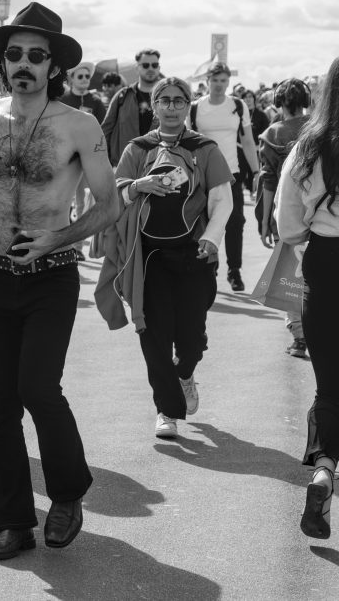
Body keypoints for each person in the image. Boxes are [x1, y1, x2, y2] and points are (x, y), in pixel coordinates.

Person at [0, 2, 121, 560]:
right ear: (2, 61)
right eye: (13, 54)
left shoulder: (79, 125)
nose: (23, 64)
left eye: (36, 56)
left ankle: (66, 493)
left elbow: (109, 206)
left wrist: (56, 239)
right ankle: (13, 523)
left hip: (50, 277)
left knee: (39, 388)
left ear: (53, 67)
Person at [95, 77, 232, 439]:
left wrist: (211, 239)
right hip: (149, 258)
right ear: (153, 107)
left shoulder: (204, 149)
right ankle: (166, 410)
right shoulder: (137, 149)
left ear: (189, 106)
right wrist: (136, 185)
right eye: (164, 101)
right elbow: (114, 193)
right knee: (154, 334)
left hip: (194, 254)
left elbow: (222, 200)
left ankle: (185, 373)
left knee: (191, 338)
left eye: (179, 101)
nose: (171, 107)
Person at [275, 56, 339, 540]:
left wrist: (310, 243)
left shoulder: (308, 148)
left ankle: (323, 469)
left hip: (324, 258)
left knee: (328, 386)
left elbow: (288, 220)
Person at [187, 62, 259, 292]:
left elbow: (248, 141)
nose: (219, 85)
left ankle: (234, 270)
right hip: (204, 173)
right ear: (207, 81)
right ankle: (211, 265)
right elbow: (188, 143)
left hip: (232, 173)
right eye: (215, 80)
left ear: (228, 82)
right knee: (206, 222)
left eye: (223, 80)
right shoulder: (195, 108)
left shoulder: (237, 105)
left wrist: (257, 171)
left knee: (236, 221)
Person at [258, 78, 312, 359]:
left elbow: (269, 182)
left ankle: (299, 336)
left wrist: (266, 219)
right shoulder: (320, 129)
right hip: (321, 214)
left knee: (290, 274)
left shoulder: (271, 134)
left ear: (278, 102)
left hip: (287, 213)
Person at [101, 48, 162, 166]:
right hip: (124, 166)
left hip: (157, 165)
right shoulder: (122, 96)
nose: (150, 68)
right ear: (137, 68)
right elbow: (105, 131)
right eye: (145, 65)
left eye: (154, 65)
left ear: (159, 68)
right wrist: (106, 163)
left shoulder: (168, 97)